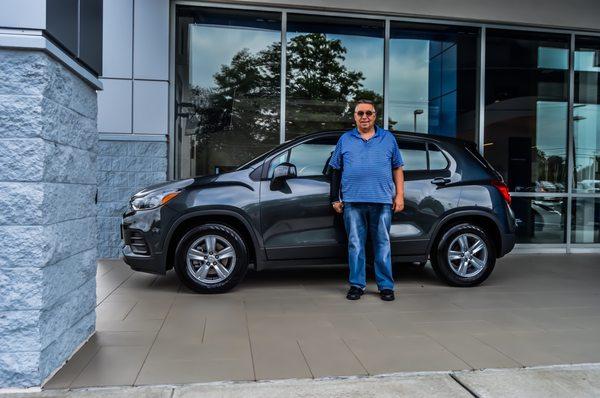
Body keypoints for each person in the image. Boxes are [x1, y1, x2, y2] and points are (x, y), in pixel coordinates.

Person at [328, 99, 404, 301]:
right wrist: (335, 198)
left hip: (382, 201)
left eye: (368, 113)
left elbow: (397, 168)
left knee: (382, 244)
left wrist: (399, 195)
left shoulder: (388, 138)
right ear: (354, 116)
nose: (364, 117)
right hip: (352, 202)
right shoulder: (345, 139)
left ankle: (386, 286)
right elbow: (336, 170)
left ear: (375, 116)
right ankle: (357, 285)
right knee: (355, 244)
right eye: (360, 113)